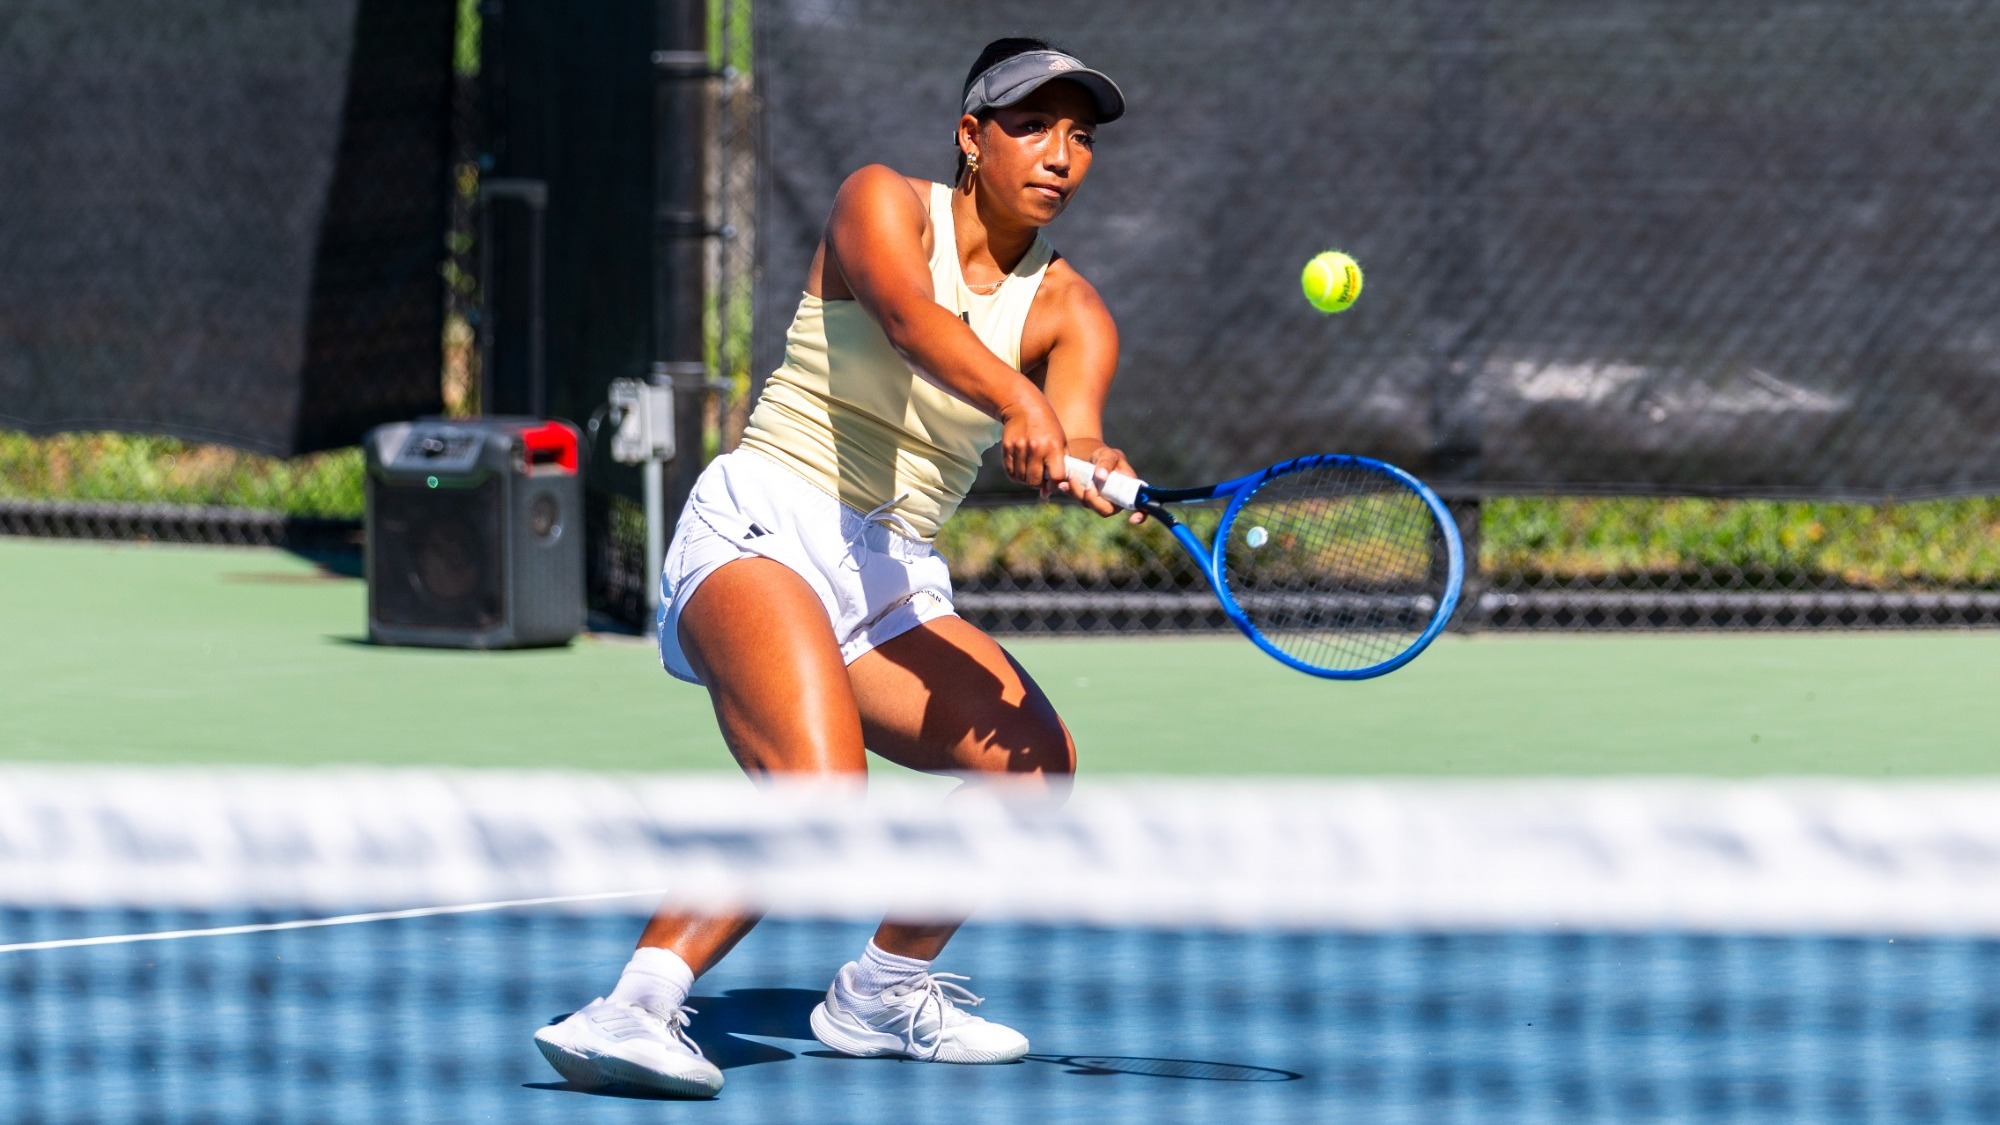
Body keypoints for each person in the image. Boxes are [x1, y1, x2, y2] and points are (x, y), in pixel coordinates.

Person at [533, 37, 1140, 1099]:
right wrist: (1017, 400)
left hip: (892, 576)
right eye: (1031, 126)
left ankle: (881, 993)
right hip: (763, 523)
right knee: (816, 789)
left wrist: (1090, 460)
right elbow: (909, 321)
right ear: (970, 137)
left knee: (1038, 767)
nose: (1059, 154)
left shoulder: (1071, 309)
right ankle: (631, 1007)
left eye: (1079, 137)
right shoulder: (881, 202)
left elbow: (1075, 427)